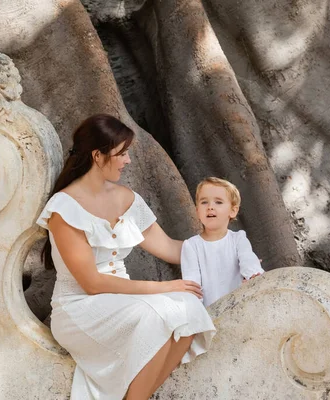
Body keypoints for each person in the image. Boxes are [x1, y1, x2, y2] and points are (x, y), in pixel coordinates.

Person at [36, 114, 216, 400]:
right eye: (121, 153)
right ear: (98, 155)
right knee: (154, 314)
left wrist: (221, 249)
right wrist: (165, 287)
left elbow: (169, 247)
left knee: (189, 310)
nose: (128, 160)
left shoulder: (127, 198)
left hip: (124, 301)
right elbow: (92, 283)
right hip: (79, 307)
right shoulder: (63, 208)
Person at [181, 177, 264, 307]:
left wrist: (253, 276)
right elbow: (192, 285)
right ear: (197, 211)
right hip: (209, 313)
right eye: (204, 202)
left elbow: (248, 259)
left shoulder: (238, 239)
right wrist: (197, 314)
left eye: (218, 202)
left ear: (233, 211)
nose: (210, 207)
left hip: (241, 307)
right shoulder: (191, 246)